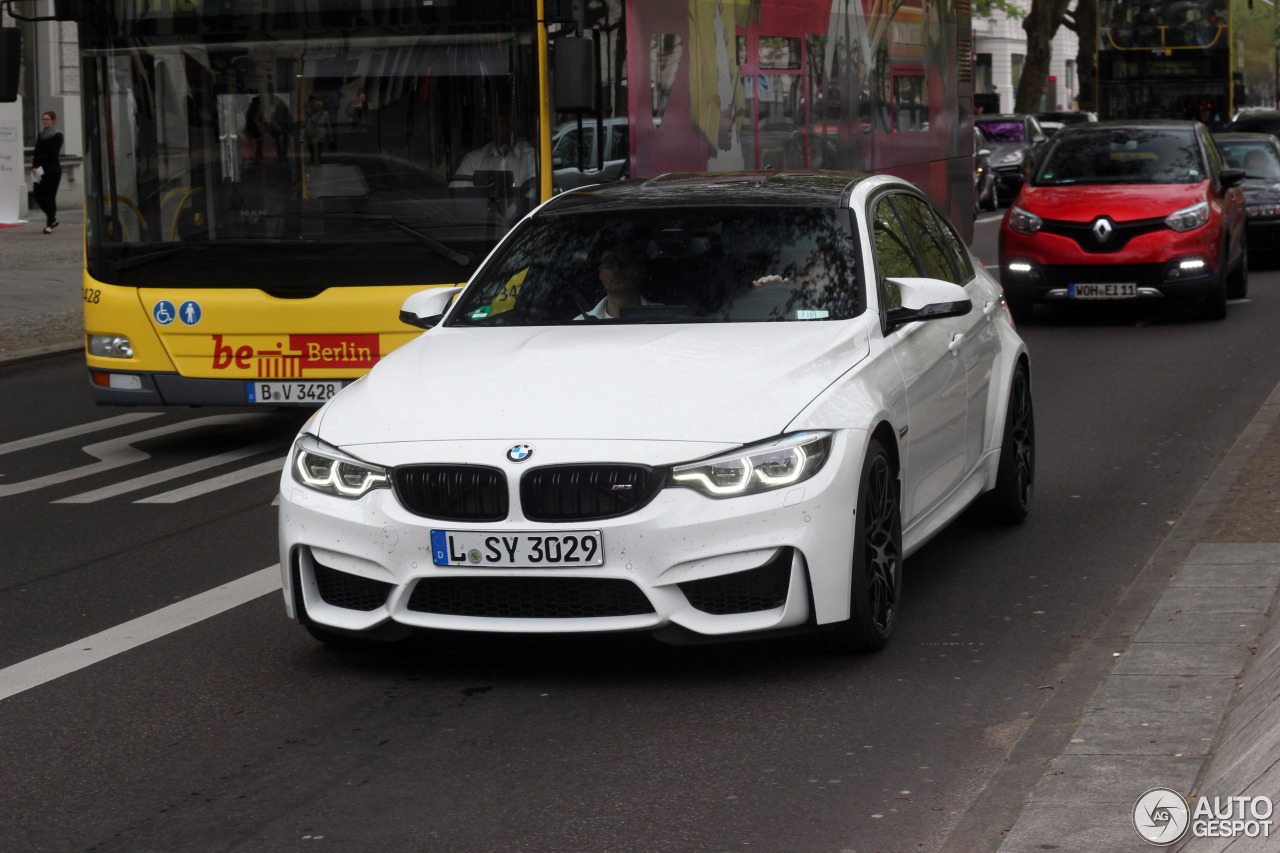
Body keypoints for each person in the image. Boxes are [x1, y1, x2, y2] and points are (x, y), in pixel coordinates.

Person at [449, 114, 537, 190]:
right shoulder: (473, 161)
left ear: (513, 124)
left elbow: (535, 191)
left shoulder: (531, 157)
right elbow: (456, 195)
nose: (497, 127)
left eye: (503, 121)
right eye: (495, 121)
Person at [577, 242, 653, 319]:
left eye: (624, 260)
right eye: (609, 262)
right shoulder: (577, 325)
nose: (617, 269)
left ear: (637, 269)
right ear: (600, 273)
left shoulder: (663, 316)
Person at [31, 111, 63, 234]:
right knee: (38, 196)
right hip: (39, 170)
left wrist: (36, 159)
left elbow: (53, 153)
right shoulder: (41, 134)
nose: (44, 121)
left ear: (53, 121)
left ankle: (49, 224)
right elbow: (36, 151)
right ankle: (53, 219)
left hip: (52, 170)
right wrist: (34, 165)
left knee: (50, 197)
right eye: (43, 119)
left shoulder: (58, 135)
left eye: (47, 119)